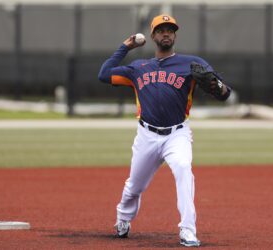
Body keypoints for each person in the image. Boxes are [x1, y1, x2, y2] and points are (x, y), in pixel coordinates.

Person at [98, 14, 231, 247]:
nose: (166, 33)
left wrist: (215, 84)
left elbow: (224, 93)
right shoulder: (138, 68)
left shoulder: (191, 63)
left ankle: (188, 230)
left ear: (175, 35)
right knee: (134, 187)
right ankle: (123, 220)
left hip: (177, 134)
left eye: (170, 29)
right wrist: (125, 46)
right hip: (146, 135)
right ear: (153, 36)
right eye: (161, 30)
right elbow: (104, 74)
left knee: (183, 170)